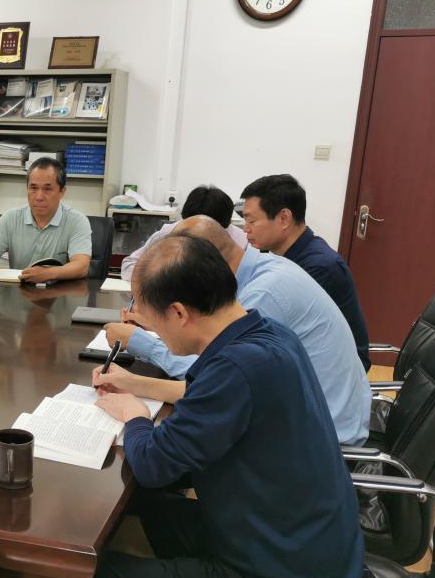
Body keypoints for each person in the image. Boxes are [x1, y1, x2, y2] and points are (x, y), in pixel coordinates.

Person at [82, 234, 363, 578]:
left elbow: (153, 464)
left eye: (152, 322)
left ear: (179, 313)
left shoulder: (236, 369)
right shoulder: (265, 336)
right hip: (307, 550)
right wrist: (139, 389)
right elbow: (202, 409)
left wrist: (134, 416)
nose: (155, 335)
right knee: (155, 509)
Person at [105, 215, 370, 445]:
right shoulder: (265, 270)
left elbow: (205, 377)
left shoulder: (262, 296)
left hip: (323, 436)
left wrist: (142, 344)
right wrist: (160, 323)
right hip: (310, 416)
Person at [240, 174, 371, 370]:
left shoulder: (319, 267)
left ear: (284, 219)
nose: (245, 229)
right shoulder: (286, 256)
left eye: (251, 221)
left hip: (336, 368)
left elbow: (270, 326)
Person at [0, 158, 92, 284]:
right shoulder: (10, 218)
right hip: (18, 291)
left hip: (60, 292)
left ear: (62, 192)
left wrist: (48, 274)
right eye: (33, 188)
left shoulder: (77, 221)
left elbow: (82, 267)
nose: (39, 197)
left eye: (47, 189)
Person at [119, 184, 248, 281]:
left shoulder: (244, 242)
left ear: (224, 226)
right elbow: (128, 265)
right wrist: (162, 277)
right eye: (193, 229)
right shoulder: (169, 232)